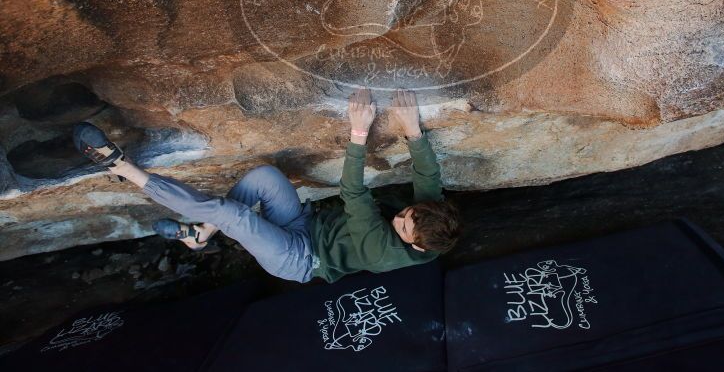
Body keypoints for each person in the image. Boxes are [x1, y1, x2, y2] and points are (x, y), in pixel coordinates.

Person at [73, 87, 461, 283]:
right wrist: (412, 129)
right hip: (309, 224)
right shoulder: (431, 226)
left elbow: (354, 193)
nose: (400, 214)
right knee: (264, 178)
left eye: (403, 223)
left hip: (299, 259)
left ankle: (123, 167)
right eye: (408, 212)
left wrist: (359, 131)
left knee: (232, 213)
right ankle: (199, 235)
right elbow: (429, 181)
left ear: (414, 244)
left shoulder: (382, 250)